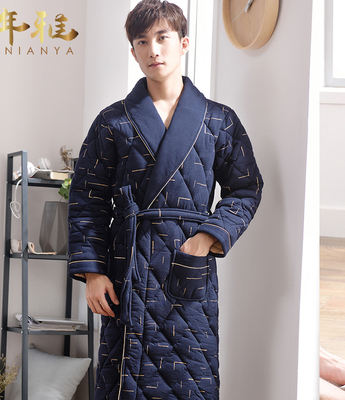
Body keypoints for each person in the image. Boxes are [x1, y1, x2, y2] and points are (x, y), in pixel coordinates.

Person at [68, 1, 263, 399]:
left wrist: (206, 238)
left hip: (186, 268)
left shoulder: (219, 120)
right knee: (123, 378)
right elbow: (87, 201)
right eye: (143, 41)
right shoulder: (112, 121)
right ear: (133, 52)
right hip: (128, 268)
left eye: (162, 38)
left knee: (191, 376)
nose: (153, 50)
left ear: (183, 43)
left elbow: (246, 189)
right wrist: (93, 273)